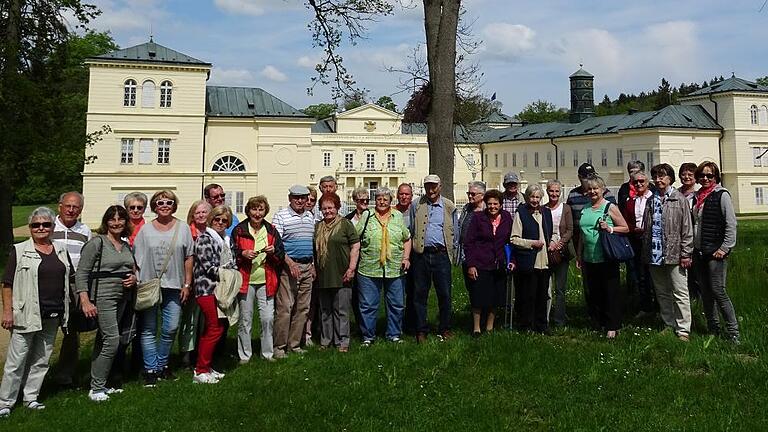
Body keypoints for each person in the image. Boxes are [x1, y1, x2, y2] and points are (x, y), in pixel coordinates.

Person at [0, 208, 73, 417]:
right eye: (35, 225)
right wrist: (8, 312)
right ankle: (5, 402)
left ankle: (31, 397)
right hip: (26, 313)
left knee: (41, 359)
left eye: (45, 224)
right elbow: (7, 284)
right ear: (31, 227)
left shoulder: (60, 249)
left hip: (53, 314)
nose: (41, 228)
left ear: (52, 227)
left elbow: (70, 280)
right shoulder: (20, 250)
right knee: (17, 361)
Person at [75, 205, 137, 401]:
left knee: (103, 340)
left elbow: (132, 268)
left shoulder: (125, 245)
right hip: (103, 297)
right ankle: (97, 387)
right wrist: (85, 300)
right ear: (106, 222)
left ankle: (98, 382)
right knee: (112, 340)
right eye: (112, 219)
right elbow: (82, 272)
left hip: (122, 297)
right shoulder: (97, 243)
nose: (117, 223)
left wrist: (133, 279)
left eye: (121, 219)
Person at [134, 190, 194, 386]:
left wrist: (187, 283)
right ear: (154, 206)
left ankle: (162, 364)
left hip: (174, 285)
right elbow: (136, 259)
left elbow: (188, 257)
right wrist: (137, 281)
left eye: (169, 202)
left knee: (171, 327)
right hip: (150, 284)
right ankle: (151, 369)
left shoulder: (183, 228)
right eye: (160, 202)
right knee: (149, 328)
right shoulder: (146, 230)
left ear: (174, 205)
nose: (165, 205)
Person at [641, 164, 693, 342]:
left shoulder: (679, 199)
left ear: (670, 178)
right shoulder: (651, 199)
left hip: (675, 253)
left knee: (680, 291)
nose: (658, 180)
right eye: (655, 176)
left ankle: (683, 329)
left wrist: (686, 253)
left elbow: (686, 227)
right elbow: (646, 227)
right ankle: (668, 323)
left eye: (662, 176)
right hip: (655, 253)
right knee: (662, 291)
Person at [691, 161, 739, 344]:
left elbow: (731, 223)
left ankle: (733, 332)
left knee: (719, 291)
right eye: (702, 175)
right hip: (699, 250)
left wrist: (725, 248)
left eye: (709, 175)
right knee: (706, 292)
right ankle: (713, 328)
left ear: (716, 177)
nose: (705, 178)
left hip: (716, 251)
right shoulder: (697, 196)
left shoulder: (721, 195)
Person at [232, 196, 284, 363]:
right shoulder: (239, 230)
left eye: (261, 209)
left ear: (265, 211)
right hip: (246, 280)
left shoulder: (271, 230)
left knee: (267, 318)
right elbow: (232, 253)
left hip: (266, 279)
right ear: (248, 211)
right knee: (245, 319)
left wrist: (273, 252)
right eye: (254, 209)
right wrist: (243, 253)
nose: (257, 213)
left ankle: (267, 353)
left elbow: (280, 255)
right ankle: (244, 355)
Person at [577, 176, 629, 339]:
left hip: (606, 255)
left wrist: (610, 229)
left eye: (596, 188)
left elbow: (625, 228)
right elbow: (581, 235)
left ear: (603, 190)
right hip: (589, 256)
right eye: (590, 189)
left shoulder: (609, 207)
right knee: (594, 291)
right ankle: (598, 321)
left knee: (610, 291)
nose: (592, 191)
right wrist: (579, 254)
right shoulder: (585, 209)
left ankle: (612, 325)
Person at [357, 187, 411, 345]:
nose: (382, 202)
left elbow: (407, 238)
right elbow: (354, 236)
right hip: (369, 268)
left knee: (396, 304)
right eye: (379, 199)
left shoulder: (398, 216)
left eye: (385, 199)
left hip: (394, 267)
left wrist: (406, 257)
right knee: (368, 304)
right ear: (375, 200)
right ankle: (368, 336)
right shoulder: (367, 216)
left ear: (390, 201)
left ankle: (393, 334)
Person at [409, 174, 458, 343]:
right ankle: (421, 330)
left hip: (441, 255)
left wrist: (453, 252)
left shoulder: (449, 206)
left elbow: (455, 231)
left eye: (434, 186)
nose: (431, 190)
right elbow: (411, 228)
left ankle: (445, 328)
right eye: (428, 186)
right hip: (421, 255)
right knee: (420, 294)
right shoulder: (416, 204)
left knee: (444, 294)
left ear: (440, 186)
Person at [191, 205, 236, 384]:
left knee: (218, 327)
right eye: (217, 219)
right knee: (215, 327)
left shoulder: (225, 239)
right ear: (211, 220)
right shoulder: (204, 239)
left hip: (221, 289)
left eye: (224, 220)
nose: (220, 222)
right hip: (207, 289)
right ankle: (200, 370)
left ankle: (206, 366)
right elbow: (208, 266)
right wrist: (231, 275)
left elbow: (231, 261)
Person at [52, 191, 91, 388]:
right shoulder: (48, 226)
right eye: (68, 205)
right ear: (60, 206)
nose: (71, 210)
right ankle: (34, 373)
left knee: (70, 331)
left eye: (76, 207)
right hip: (50, 284)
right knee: (44, 329)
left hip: (74, 284)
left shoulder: (84, 230)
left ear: (81, 209)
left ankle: (65, 375)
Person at [567, 163, 615, 323]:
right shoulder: (573, 195)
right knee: (590, 285)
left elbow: (618, 222)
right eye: (586, 177)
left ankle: (609, 318)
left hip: (605, 248)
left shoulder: (607, 195)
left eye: (592, 176)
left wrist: (610, 229)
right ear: (579, 178)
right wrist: (578, 251)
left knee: (606, 285)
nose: (589, 181)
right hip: (583, 244)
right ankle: (593, 315)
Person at [272, 185, 316, 358]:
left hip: (306, 267)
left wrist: (312, 264)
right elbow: (277, 244)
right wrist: (290, 263)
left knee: (303, 308)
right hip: (289, 267)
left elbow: (311, 243)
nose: (300, 201)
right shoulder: (281, 216)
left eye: (303, 197)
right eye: (296, 197)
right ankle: (279, 347)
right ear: (290, 198)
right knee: (285, 308)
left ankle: (295, 344)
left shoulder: (309, 216)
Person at [314, 192, 360, 351]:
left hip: (342, 273)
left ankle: (342, 341)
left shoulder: (345, 224)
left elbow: (355, 246)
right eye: (324, 208)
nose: (327, 211)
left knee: (341, 310)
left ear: (337, 208)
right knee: (325, 310)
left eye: (331, 208)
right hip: (323, 274)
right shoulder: (318, 226)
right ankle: (326, 340)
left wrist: (351, 268)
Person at [463, 189, 513, 336]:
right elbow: (469, 242)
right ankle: (477, 328)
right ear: (486, 204)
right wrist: (471, 264)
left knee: (495, 297)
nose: (492, 207)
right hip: (480, 262)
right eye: (489, 203)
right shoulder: (478, 218)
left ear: (501, 205)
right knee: (478, 296)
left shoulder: (507, 217)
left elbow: (510, 240)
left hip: (499, 263)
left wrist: (512, 260)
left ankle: (490, 327)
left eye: (495, 204)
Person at [511, 184, 553, 334]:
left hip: (545, 261)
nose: (535, 200)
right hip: (529, 261)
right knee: (528, 295)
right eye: (532, 197)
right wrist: (531, 243)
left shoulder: (546, 213)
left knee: (543, 295)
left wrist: (553, 242)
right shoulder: (520, 213)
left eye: (537, 197)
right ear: (527, 197)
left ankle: (541, 325)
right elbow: (514, 239)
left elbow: (552, 233)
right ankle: (526, 325)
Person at [178, 200, 211, 367]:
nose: (201, 215)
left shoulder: (212, 232)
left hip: (208, 282)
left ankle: (201, 351)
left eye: (204, 212)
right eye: (197, 212)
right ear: (192, 214)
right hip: (191, 280)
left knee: (205, 320)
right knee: (189, 318)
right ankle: (186, 354)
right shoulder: (186, 232)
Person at [622, 171, 656, 317]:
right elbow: (626, 220)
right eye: (636, 182)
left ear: (648, 182)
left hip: (651, 240)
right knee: (639, 275)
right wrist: (632, 228)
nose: (639, 184)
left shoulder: (654, 199)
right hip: (635, 239)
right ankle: (645, 306)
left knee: (653, 275)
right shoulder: (631, 201)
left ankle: (658, 307)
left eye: (642, 181)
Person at [545, 180, 573, 327]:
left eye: (557, 191)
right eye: (551, 191)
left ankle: (560, 318)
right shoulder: (544, 209)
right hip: (547, 251)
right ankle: (545, 318)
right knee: (546, 288)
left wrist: (560, 243)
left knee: (560, 289)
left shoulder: (566, 208)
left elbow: (569, 230)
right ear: (547, 191)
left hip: (561, 252)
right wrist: (550, 244)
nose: (554, 194)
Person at [457, 182, 486, 307]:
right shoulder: (466, 208)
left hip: (482, 254)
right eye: (469, 193)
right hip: (465, 253)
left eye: (473, 194)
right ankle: (475, 312)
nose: (470, 196)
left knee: (481, 286)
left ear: (482, 195)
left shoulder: (487, 210)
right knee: (470, 286)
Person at [395, 183, 416, 333]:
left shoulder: (415, 212)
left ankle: (411, 322)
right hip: (396, 255)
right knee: (398, 291)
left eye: (406, 194)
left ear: (411, 197)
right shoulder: (392, 211)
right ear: (397, 195)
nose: (404, 197)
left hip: (414, 255)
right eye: (401, 194)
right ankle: (397, 324)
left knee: (413, 290)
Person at [677, 162, 700, 301]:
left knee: (695, 274)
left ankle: (697, 300)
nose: (686, 177)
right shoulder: (676, 193)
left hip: (694, 237)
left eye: (690, 174)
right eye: (683, 174)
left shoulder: (698, 195)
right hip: (679, 237)